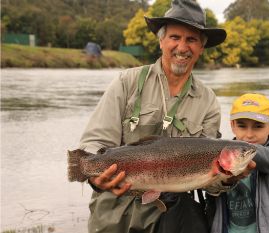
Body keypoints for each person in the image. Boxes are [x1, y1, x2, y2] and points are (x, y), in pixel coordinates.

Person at [77, 1, 254, 233]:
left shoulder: (208, 101)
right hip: (116, 209)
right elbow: (96, 142)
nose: (182, 47)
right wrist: (92, 176)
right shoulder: (126, 82)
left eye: (191, 40)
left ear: (202, 47)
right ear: (161, 41)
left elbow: (210, 184)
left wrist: (229, 178)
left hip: (171, 212)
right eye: (175, 37)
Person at [207, 93, 269, 233]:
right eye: (242, 126)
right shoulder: (220, 158)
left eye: (258, 127)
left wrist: (232, 149)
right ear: (232, 125)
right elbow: (210, 189)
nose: (249, 135)